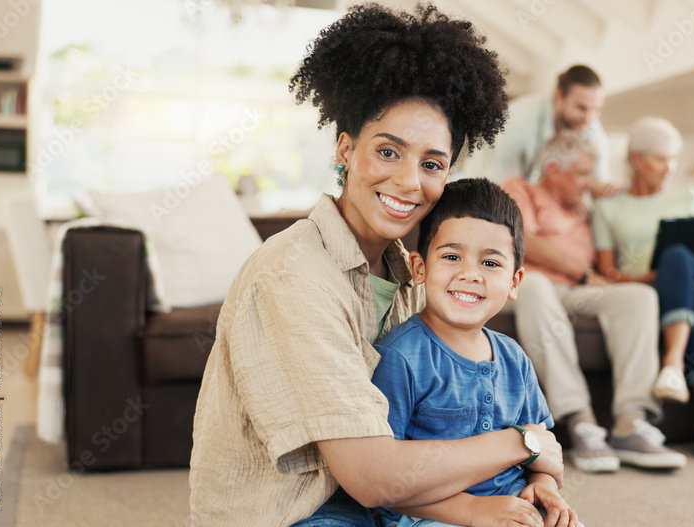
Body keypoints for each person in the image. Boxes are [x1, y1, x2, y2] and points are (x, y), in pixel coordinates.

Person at [189, 5, 566, 527]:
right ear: (346, 149)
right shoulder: (292, 276)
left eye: (432, 164)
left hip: (393, 507)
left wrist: (530, 485)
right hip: (298, 513)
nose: (411, 182)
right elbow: (373, 478)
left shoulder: (411, 272)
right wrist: (524, 442)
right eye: (389, 152)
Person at [370, 178, 580, 527]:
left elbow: (542, 451)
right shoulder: (401, 356)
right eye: (452, 257)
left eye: (491, 263)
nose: (470, 274)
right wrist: (473, 511)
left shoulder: (514, 358)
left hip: (515, 505)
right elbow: (388, 482)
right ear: (419, 268)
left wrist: (543, 487)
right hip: (431, 516)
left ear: (514, 282)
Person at [500, 132, 688, 473]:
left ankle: (630, 422)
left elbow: (609, 251)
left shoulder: (587, 207)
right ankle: (581, 421)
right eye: (583, 174)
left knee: (639, 298)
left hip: (577, 292)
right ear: (554, 169)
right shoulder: (521, 189)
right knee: (536, 284)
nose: (591, 182)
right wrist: (582, 272)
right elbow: (519, 237)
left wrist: (611, 200)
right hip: (531, 286)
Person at [592, 116, 694, 460]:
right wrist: (649, 279)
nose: (669, 168)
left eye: (672, 159)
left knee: (679, 258)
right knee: (689, 287)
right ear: (637, 160)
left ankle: (672, 363)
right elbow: (606, 269)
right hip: (653, 293)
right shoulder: (608, 208)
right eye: (660, 159)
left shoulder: (690, 198)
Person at [461, 65, 615, 195]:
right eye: (581, 108)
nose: (589, 118)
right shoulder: (517, 122)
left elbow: (600, 182)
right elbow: (497, 188)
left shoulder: (592, 129)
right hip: (477, 186)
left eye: (596, 110)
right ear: (559, 96)